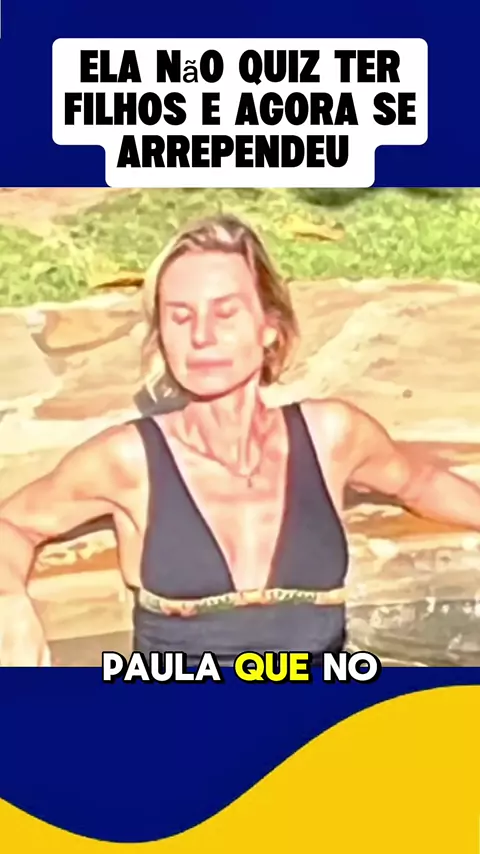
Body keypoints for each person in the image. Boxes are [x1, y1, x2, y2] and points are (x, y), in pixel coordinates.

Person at [1, 213, 480, 668]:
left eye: (225, 313)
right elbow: (14, 523)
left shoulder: (332, 437)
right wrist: (9, 603)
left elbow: (420, 481)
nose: (202, 336)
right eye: (180, 317)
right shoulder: (130, 462)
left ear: (269, 327)